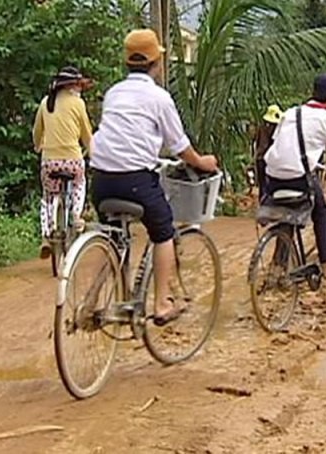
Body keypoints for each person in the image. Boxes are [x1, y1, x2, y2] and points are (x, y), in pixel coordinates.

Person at [90, 29, 218, 326]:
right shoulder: (159, 97)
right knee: (162, 231)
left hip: (101, 180)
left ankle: (93, 301)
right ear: (156, 63)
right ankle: (161, 304)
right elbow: (179, 145)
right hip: (136, 180)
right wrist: (202, 162)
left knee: (113, 238)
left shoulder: (113, 93)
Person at [263, 74, 326, 279]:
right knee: (321, 210)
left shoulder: (292, 112)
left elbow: (281, 142)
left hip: (272, 176)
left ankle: (278, 266)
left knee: (289, 212)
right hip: (299, 176)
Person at [33, 66, 93, 259]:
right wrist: (92, 153)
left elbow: (36, 133)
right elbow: (87, 136)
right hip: (73, 160)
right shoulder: (78, 104)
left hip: (49, 162)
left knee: (48, 197)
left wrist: (38, 145)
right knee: (79, 184)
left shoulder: (45, 103)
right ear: (73, 86)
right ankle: (76, 215)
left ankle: (45, 235)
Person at [253, 105, 283, 200]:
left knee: (263, 185)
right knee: (268, 184)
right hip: (268, 159)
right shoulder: (272, 130)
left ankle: (263, 202)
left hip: (260, 159)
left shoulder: (261, 128)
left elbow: (257, 144)